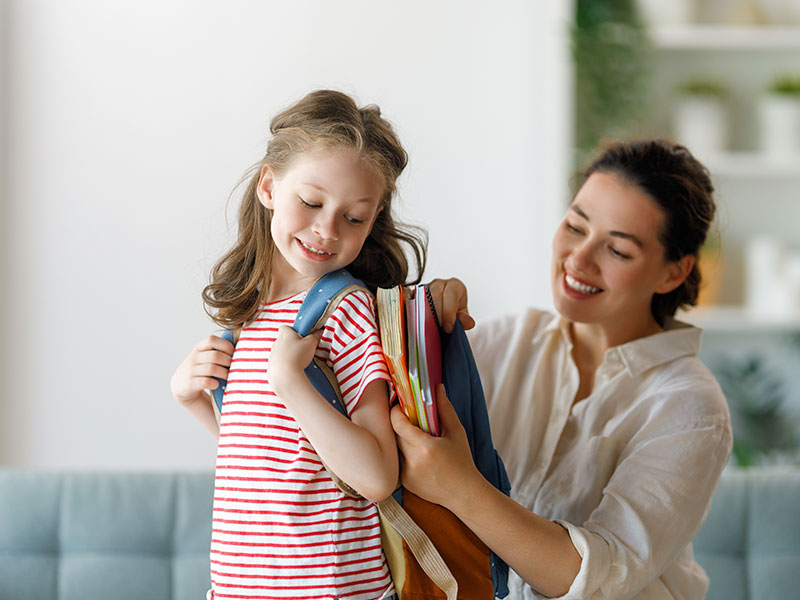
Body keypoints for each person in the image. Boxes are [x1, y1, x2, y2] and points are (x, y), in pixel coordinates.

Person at [392, 139, 733, 600]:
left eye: (618, 250)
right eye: (576, 226)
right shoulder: (503, 344)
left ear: (673, 273)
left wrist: (460, 487)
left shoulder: (691, 408)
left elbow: (597, 577)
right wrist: (421, 322)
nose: (579, 258)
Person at [170, 89, 426, 600]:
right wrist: (192, 398)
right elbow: (274, 461)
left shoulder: (343, 311)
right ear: (269, 185)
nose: (327, 229)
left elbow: (376, 476)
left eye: (354, 217)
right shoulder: (249, 314)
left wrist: (291, 382)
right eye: (311, 202)